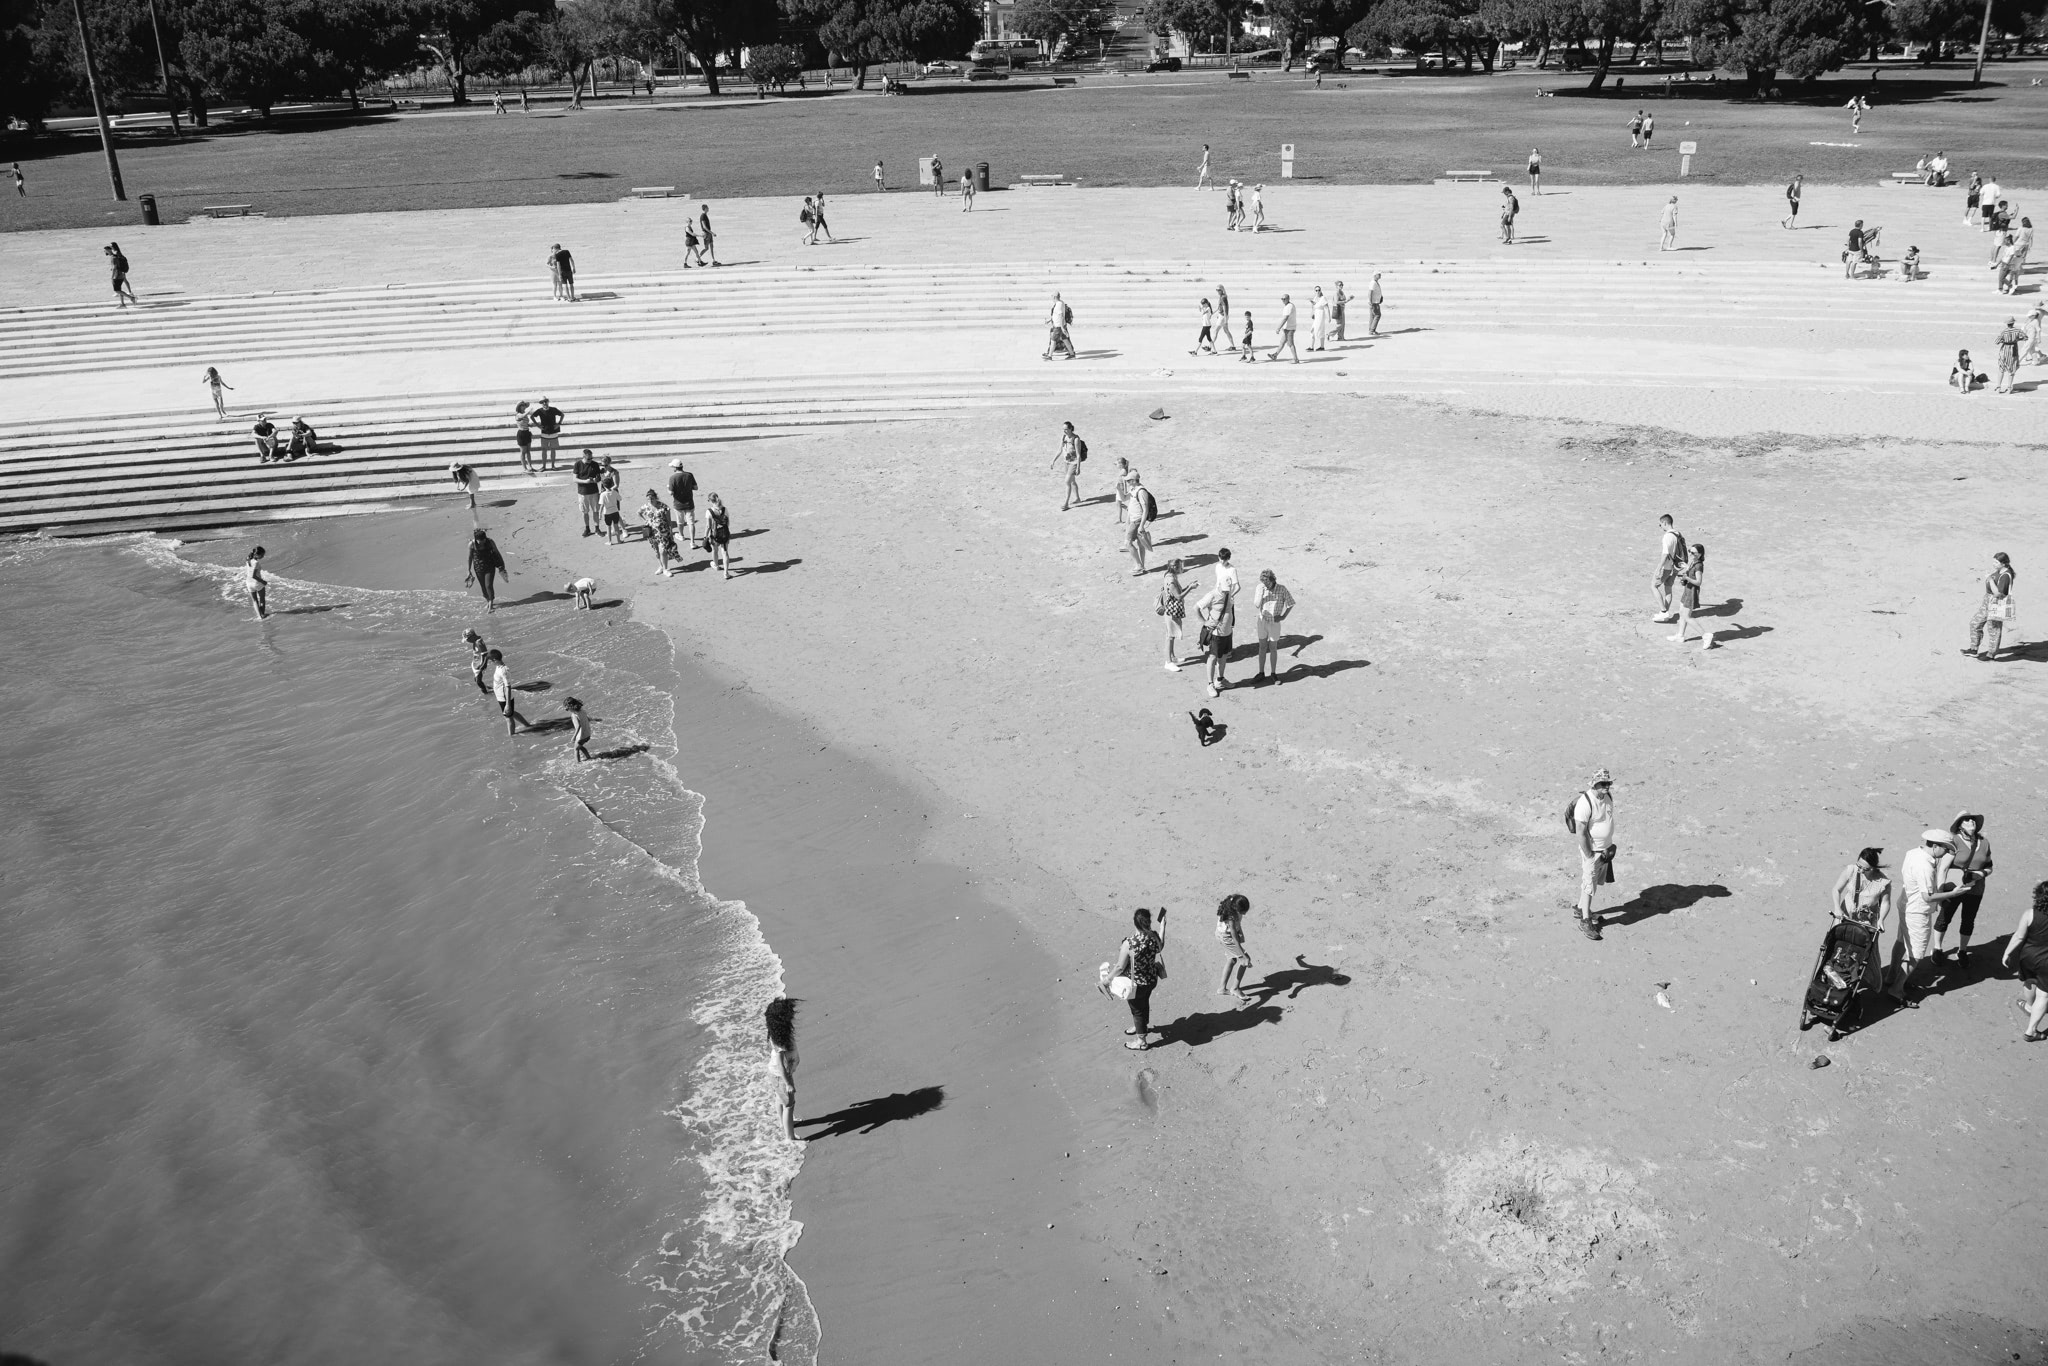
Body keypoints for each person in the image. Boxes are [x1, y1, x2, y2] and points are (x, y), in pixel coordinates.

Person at [1897, 829, 1970, 1004]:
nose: (1946, 853)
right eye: (1945, 849)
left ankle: (1893, 978)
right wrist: (1953, 893)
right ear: (1935, 846)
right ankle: (1896, 989)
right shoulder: (1925, 866)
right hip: (1917, 911)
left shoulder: (1912, 853)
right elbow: (1927, 896)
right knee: (1915, 953)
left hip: (1905, 904)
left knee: (1901, 943)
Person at [1831, 847, 1899, 1003]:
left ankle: (1866, 980)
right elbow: (1836, 889)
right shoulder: (1851, 870)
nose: (1860, 870)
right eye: (1859, 865)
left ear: (1874, 867)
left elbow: (1885, 903)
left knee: (1865, 953)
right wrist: (1836, 908)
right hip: (1845, 917)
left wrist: (1881, 919)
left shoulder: (1883, 882)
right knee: (1837, 948)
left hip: (1866, 923)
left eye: (1865, 868)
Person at [1103, 907, 1167, 1051]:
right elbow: (1160, 947)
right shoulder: (1154, 936)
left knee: (1137, 1010)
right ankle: (1141, 1027)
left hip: (1135, 984)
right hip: (1151, 980)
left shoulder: (1130, 943)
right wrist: (1163, 927)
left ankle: (1141, 1041)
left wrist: (1107, 979)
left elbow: (1120, 967)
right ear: (1149, 922)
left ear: (1135, 923)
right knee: (1144, 1004)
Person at [1935, 812, 1992, 964]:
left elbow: (1990, 866)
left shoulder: (1984, 842)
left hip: (1975, 889)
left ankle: (1962, 951)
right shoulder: (1954, 841)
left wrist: (1980, 874)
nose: (1971, 821)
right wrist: (1940, 893)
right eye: (1966, 819)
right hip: (1954, 887)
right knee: (1944, 917)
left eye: (1972, 819)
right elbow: (1943, 869)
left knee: (1968, 920)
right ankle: (1937, 948)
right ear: (1960, 825)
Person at [1569, 770, 1616, 941]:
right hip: (1592, 851)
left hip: (1604, 850)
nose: (1607, 786)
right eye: (1603, 784)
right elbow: (1580, 832)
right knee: (1590, 883)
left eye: (1608, 783)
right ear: (1594, 784)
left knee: (1592, 881)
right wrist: (1589, 855)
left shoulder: (1607, 796)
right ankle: (1585, 920)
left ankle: (1581, 908)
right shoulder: (1585, 803)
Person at [2001, 882, 2048, 1043]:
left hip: (2028, 956)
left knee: (2029, 981)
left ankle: (2029, 1006)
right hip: (2046, 961)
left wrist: (2007, 953)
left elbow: (2019, 937)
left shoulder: (2030, 914)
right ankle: (2031, 1031)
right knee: (2044, 995)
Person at [1965, 551, 2016, 660]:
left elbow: (1998, 593)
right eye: (1993, 561)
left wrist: (1989, 579)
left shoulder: (2006, 575)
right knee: (1975, 623)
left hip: (1997, 603)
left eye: (1996, 562)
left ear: (2004, 563)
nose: (1994, 564)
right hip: (1988, 601)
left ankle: (1991, 654)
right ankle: (1973, 649)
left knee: (1993, 629)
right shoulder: (1999, 571)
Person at [1251, 569, 1295, 681]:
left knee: (1273, 648)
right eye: (1264, 583)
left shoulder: (1282, 589)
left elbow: (1290, 603)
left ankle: (1273, 673)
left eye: (1268, 582)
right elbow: (1256, 605)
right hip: (1262, 621)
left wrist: (1283, 617)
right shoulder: (1260, 588)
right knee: (1262, 647)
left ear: (1273, 580)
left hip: (1274, 623)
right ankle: (1261, 672)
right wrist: (1261, 592)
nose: (1266, 585)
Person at [765, 998, 800, 1138]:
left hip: (777, 1074)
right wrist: (788, 1084)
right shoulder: (780, 1039)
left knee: (780, 1099)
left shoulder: (779, 1033)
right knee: (789, 1105)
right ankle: (790, 1138)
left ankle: (783, 1123)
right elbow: (780, 1065)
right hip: (781, 1076)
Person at [1197, 582, 1236, 698]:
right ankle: (1210, 684)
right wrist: (1204, 622)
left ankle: (1220, 679)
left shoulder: (1229, 593)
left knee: (1224, 656)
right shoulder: (1211, 595)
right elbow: (1196, 607)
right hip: (1216, 634)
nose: (1225, 591)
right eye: (1224, 589)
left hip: (1227, 633)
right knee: (1213, 657)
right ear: (1219, 585)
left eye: (1227, 589)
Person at [1214, 893, 1254, 1002]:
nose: (1244, 913)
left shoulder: (1231, 906)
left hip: (1221, 935)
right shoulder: (1230, 916)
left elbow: (1238, 925)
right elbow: (1234, 938)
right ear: (1237, 908)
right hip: (1227, 938)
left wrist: (1241, 932)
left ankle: (1222, 988)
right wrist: (1243, 955)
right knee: (1245, 961)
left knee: (1231, 960)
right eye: (1242, 912)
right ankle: (1235, 988)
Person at [1157, 558, 1196, 670]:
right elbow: (1178, 596)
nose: (1182, 568)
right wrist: (1190, 588)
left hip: (1171, 609)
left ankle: (1172, 657)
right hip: (1171, 611)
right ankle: (1168, 662)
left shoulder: (1170, 576)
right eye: (1180, 566)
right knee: (1170, 636)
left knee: (1172, 635)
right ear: (1175, 567)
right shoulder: (1171, 580)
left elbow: (1177, 592)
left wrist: (1188, 586)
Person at [465, 527, 509, 611]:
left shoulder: (490, 542)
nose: (482, 542)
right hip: (478, 568)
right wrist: (468, 570)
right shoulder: (471, 544)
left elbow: (497, 552)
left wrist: (502, 566)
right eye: (480, 541)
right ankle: (488, 600)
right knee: (483, 587)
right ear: (476, 539)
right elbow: (469, 557)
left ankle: (491, 603)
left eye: (483, 540)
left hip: (490, 566)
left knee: (488, 585)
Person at [1651, 513, 1685, 622]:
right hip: (1675, 567)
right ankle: (1664, 615)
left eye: (1660, 525)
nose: (1660, 527)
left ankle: (1664, 611)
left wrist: (1659, 568)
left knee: (1654, 586)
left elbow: (1665, 554)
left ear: (1665, 523)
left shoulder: (1667, 536)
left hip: (1667, 567)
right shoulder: (1678, 534)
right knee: (1668, 589)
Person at [487, 649, 529, 736]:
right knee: (512, 713)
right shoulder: (498, 667)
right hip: (500, 697)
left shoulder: (504, 671)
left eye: (490, 661)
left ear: (495, 660)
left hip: (504, 698)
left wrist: (508, 704)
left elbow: (508, 687)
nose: (490, 663)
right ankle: (527, 725)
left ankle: (512, 736)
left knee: (508, 718)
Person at [641, 489, 681, 575]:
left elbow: (669, 521)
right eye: (648, 499)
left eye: (652, 498)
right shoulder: (646, 506)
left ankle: (666, 569)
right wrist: (645, 520)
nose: (650, 501)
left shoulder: (664, 507)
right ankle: (661, 566)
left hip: (663, 532)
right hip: (652, 533)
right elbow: (639, 512)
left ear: (656, 498)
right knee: (657, 551)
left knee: (663, 550)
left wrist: (671, 532)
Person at [1125, 472, 1155, 575]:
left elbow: (1145, 509)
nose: (1127, 482)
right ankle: (1141, 566)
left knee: (1127, 543)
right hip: (1133, 520)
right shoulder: (1133, 489)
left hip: (1137, 521)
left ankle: (1139, 565)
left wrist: (1141, 525)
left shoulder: (1141, 492)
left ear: (1134, 481)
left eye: (1128, 480)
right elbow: (1128, 502)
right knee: (1140, 543)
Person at [1053, 421, 1084, 511]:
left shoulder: (1076, 439)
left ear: (1071, 429)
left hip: (1073, 463)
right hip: (1066, 462)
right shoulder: (1063, 437)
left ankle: (1066, 503)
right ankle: (1078, 499)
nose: (1064, 431)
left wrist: (1078, 467)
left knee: (1067, 482)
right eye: (1063, 429)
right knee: (1072, 481)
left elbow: (1078, 455)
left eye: (1066, 429)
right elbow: (1060, 450)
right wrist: (1053, 460)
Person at [573, 449, 603, 535]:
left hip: (594, 491)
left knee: (596, 510)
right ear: (584, 456)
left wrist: (596, 480)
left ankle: (597, 528)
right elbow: (574, 479)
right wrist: (584, 481)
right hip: (583, 492)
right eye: (588, 459)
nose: (590, 460)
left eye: (591, 458)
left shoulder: (595, 464)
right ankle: (587, 528)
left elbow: (599, 477)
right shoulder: (578, 464)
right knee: (585, 511)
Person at [1994, 317, 2026, 394]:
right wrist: (2017, 340)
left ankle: (1998, 387)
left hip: (2004, 350)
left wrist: (2004, 341)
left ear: (2007, 324)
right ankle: (2009, 387)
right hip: (2013, 350)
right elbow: (2025, 337)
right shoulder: (2018, 330)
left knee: (2001, 369)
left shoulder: (2004, 331)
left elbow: (1996, 341)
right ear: (2013, 323)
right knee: (2012, 369)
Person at [532, 397, 564, 470]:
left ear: (548, 402)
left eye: (545, 401)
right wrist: (537, 425)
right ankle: (544, 466)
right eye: (543, 402)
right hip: (544, 433)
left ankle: (553, 466)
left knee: (553, 450)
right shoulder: (539, 411)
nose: (544, 403)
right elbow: (532, 416)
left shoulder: (553, 409)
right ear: (541, 403)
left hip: (553, 433)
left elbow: (562, 414)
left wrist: (559, 423)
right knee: (544, 451)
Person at [705, 492, 732, 578]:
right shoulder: (725, 509)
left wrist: (705, 536)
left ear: (710, 501)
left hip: (715, 535)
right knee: (725, 552)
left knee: (715, 550)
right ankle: (726, 573)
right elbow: (728, 523)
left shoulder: (709, 512)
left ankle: (716, 565)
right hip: (724, 534)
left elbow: (708, 526)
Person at [561, 696, 595, 761]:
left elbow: (578, 726)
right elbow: (587, 719)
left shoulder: (574, 715)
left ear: (570, 706)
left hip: (581, 736)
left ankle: (578, 763)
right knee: (580, 747)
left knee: (576, 749)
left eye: (566, 707)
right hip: (587, 734)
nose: (565, 709)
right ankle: (589, 757)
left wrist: (574, 737)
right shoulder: (582, 711)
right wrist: (595, 719)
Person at [1269, 293, 1299, 364]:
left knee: (1291, 344)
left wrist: (1278, 328)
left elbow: (1285, 318)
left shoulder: (1289, 306)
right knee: (1282, 342)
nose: (1283, 300)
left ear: (1288, 299)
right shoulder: (1288, 306)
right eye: (1282, 299)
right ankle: (1275, 355)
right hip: (1287, 328)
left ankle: (1296, 359)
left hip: (1290, 329)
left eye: (1284, 299)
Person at [1045, 292, 1076, 360]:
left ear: (1054, 297)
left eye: (1052, 296)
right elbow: (1056, 315)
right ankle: (1072, 354)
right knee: (1065, 340)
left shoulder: (1059, 305)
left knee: (1053, 341)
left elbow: (1061, 316)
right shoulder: (1061, 302)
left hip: (1058, 326)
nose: (1051, 298)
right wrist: (1050, 320)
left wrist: (1062, 328)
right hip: (1061, 325)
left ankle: (1049, 356)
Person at [461, 628, 491, 694]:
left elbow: (485, 654)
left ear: (472, 636)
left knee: (478, 681)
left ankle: (486, 693)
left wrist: (483, 665)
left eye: (467, 639)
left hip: (480, 664)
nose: (467, 641)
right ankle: (487, 688)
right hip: (476, 663)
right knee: (476, 679)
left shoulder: (478, 642)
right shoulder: (475, 641)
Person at [243, 546, 270, 620]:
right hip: (256, 583)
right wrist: (263, 581)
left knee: (255, 600)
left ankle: (259, 616)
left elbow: (251, 573)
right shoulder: (256, 562)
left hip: (249, 583)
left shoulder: (248, 560)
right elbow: (254, 575)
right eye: (262, 555)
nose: (263, 556)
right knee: (262, 599)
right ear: (257, 555)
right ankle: (262, 615)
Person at [107, 242, 136, 308]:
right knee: (120, 288)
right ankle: (123, 303)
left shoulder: (116, 253)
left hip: (118, 273)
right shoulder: (117, 253)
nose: (110, 247)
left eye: (111, 246)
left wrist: (113, 275)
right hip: (120, 272)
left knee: (118, 289)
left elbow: (117, 264)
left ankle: (130, 296)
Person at [514, 401, 535, 474]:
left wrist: (529, 425)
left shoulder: (524, 414)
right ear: (519, 407)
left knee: (528, 451)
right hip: (521, 433)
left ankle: (530, 466)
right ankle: (524, 468)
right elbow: (521, 417)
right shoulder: (518, 414)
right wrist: (528, 412)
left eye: (524, 406)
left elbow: (524, 422)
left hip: (527, 432)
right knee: (523, 452)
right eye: (522, 406)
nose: (523, 407)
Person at [1308, 286, 1330, 350]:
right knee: (1313, 330)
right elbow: (1315, 305)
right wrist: (1312, 313)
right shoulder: (1315, 298)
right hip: (1317, 315)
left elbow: (1327, 308)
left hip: (1320, 315)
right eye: (1316, 290)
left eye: (1319, 290)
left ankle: (1320, 346)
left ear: (1321, 290)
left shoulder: (1323, 298)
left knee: (1319, 330)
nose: (1317, 291)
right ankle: (1313, 346)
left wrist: (1329, 317)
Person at [1215, 284, 1234, 351]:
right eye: (1216, 290)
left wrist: (1225, 320)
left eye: (1219, 290)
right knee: (1226, 331)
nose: (1217, 291)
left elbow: (1225, 310)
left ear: (1222, 290)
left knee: (1215, 331)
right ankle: (1233, 346)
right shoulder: (1222, 296)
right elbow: (1220, 308)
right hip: (1222, 316)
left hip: (1223, 316)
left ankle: (1210, 346)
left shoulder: (1223, 298)